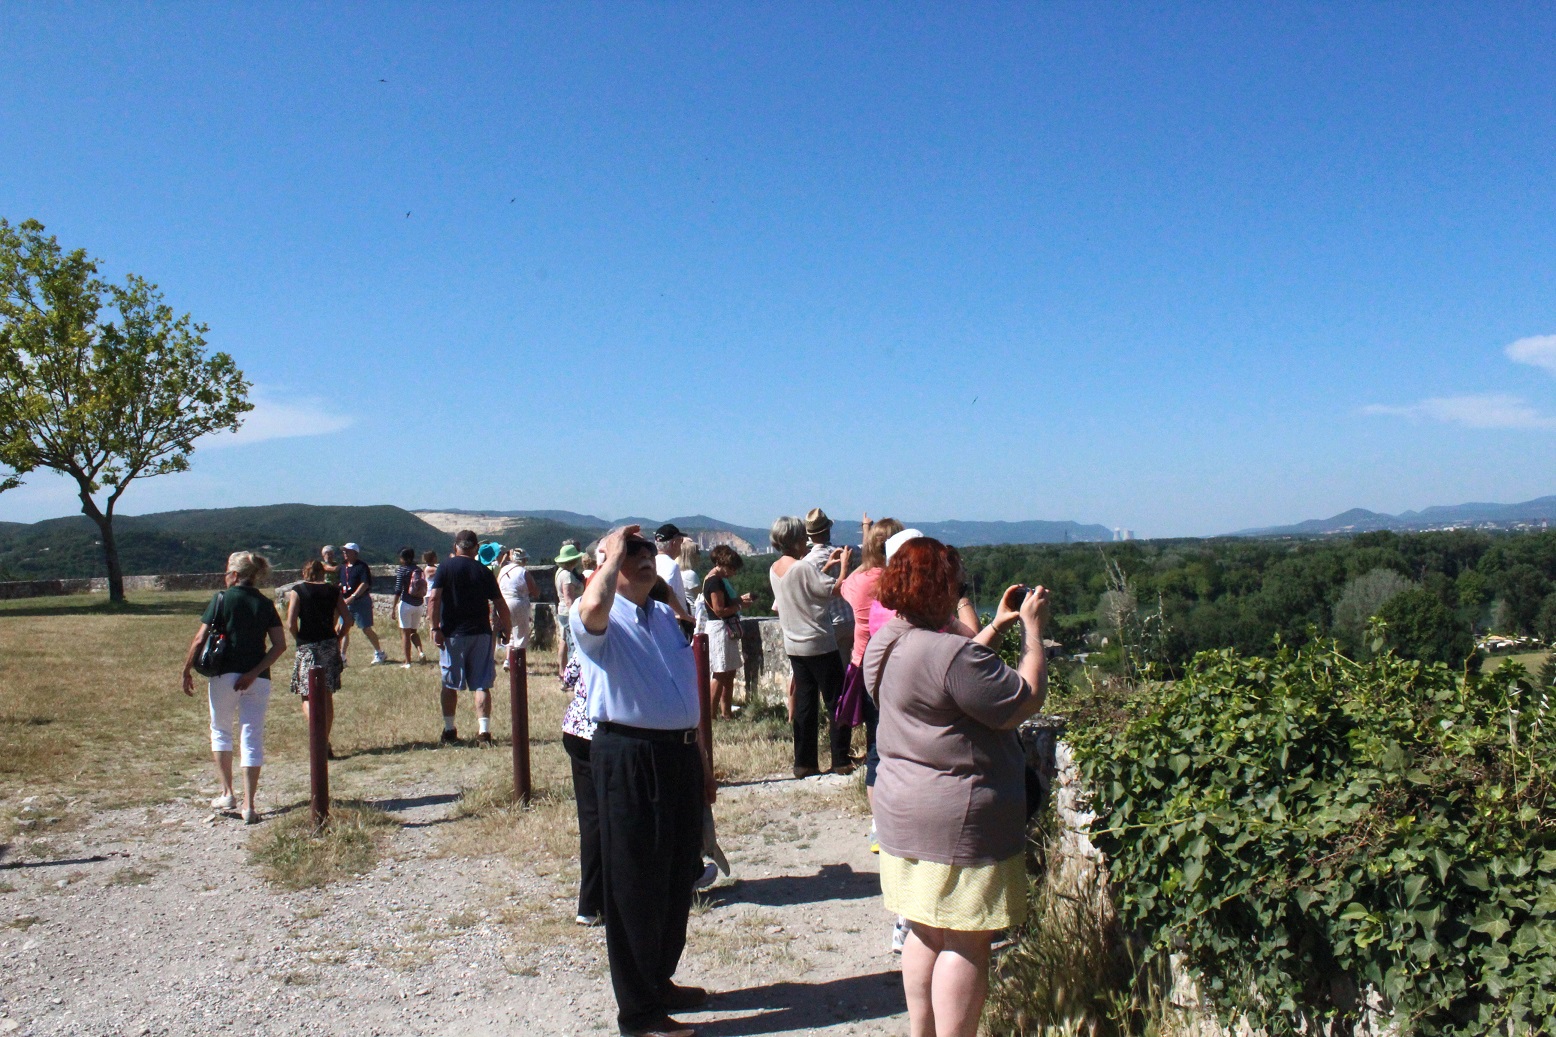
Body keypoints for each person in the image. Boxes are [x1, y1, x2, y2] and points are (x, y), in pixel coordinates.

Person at [863, 538, 1050, 1037]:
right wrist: (1032, 632)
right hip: (958, 819)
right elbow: (1024, 698)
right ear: (943, 589)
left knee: (924, 930)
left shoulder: (887, 641)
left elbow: (948, 676)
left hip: (902, 809)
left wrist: (996, 625)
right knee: (968, 939)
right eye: (959, 584)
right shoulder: (950, 654)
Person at [572, 525, 713, 1037]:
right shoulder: (598, 617)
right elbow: (593, 607)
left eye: (649, 551)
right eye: (632, 552)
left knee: (678, 874)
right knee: (635, 884)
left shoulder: (663, 616)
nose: (645, 558)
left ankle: (658, 981)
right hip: (631, 754)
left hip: (678, 754)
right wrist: (610, 556)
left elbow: (681, 692)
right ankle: (638, 1014)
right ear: (607, 562)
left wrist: (701, 761)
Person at [180, 551, 287, 824]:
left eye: (227, 571)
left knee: (221, 730)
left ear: (235, 575)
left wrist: (186, 669)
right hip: (259, 678)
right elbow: (279, 645)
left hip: (224, 674)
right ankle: (250, 804)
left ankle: (227, 793)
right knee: (252, 735)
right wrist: (253, 673)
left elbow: (199, 639)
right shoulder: (265, 603)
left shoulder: (222, 599)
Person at [838, 514, 905, 849]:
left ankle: (879, 822)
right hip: (895, 664)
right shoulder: (893, 581)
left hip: (863, 662)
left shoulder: (857, 580)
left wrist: (864, 538)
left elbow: (843, 587)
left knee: (875, 743)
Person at [769, 515, 854, 778]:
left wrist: (825, 567)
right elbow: (836, 590)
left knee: (805, 704)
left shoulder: (774, 568)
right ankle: (840, 759)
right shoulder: (802, 568)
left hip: (794, 644)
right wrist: (843, 567)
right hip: (818, 642)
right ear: (796, 539)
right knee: (836, 700)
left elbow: (805, 588)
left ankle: (803, 762)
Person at [428, 530, 510, 745]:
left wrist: (434, 627)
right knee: (481, 683)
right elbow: (500, 603)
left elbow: (434, 599)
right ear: (476, 548)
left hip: (452, 633)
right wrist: (508, 628)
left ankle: (449, 730)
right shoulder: (483, 571)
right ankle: (484, 732)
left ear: (456, 546)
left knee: (449, 683)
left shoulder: (445, 567)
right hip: (480, 632)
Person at [285, 560, 350, 758]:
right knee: (327, 694)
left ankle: (320, 738)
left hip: (307, 644)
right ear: (323, 573)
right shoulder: (333, 591)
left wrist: (299, 639)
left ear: (304, 573)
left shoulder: (299, 590)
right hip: (329, 643)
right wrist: (338, 637)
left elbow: (290, 623)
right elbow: (348, 620)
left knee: (307, 694)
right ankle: (324, 739)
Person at [560, 645, 603, 927]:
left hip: (576, 729)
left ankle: (589, 904)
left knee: (590, 820)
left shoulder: (588, 640)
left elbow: (568, 677)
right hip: (603, 731)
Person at [701, 545, 754, 719]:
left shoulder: (713, 579)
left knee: (729, 672)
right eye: (731, 569)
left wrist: (738, 600)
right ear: (723, 565)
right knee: (721, 672)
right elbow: (719, 610)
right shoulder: (714, 582)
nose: (733, 573)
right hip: (720, 629)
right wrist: (739, 606)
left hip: (722, 629)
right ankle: (710, 715)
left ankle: (726, 713)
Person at [339, 543, 389, 666]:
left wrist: (353, 596)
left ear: (355, 553)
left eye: (347, 551)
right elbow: (343, 582)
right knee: (343, 629)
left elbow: (365, 583)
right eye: (344, 551)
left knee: (366, 629)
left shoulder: (361, 567)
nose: (345, 553)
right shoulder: (343, 567)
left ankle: (379, 652)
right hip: (346, 602)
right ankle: (342, 657)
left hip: (360, 601)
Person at [498, 547, 539, 670]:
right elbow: (535, 591)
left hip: (503, 603)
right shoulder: (523, 572)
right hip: (519, 603)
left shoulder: (503, 570)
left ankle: (508, 660)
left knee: (509, 633)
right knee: (521, 634)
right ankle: (518, 664)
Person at [392, 547, 430, 667]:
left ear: (404, 558)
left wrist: (393, 607)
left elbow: (398, 589)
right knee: (414, 632)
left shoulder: (402, 570)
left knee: (405, 633)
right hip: (418, 604)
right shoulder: (419, 570)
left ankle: (407, 662)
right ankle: (421, 652)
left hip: (406, 603)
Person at [555, 542, 586, 677]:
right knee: (573, 643)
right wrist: (576, 615)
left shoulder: (560, 572)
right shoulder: (567, 575)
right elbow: (569, 599)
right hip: (568, 613)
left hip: (563, 611)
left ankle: (565, 672)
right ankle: (572, 675)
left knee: (566, 641)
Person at [677, 539, 703, 634]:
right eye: (697, 552)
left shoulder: (678, 572)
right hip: (694, 614)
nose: (699, 555)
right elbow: (700, 597)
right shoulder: (691, 575)